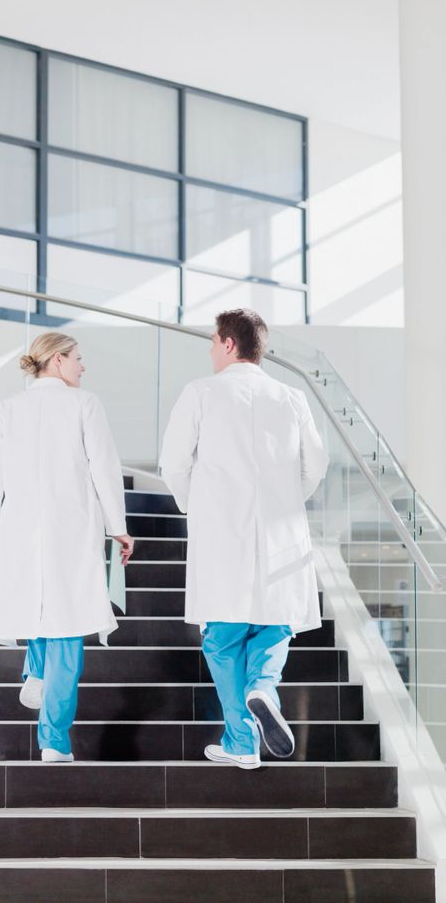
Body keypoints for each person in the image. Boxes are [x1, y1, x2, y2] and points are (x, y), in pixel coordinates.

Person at [159, 309, 328, 769]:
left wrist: (196, 505)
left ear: (229, 343)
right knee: (275, 625)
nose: (212, 350)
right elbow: (315, 465)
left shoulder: (201, 393)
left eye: (214, 341)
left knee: (222, 638)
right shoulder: (291, 397)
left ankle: (240, 739)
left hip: (222, 533)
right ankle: (262, 690)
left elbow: (173, 463)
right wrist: (286, 499)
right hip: (281, 533)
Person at [0, 331, 134, 763]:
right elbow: (105, 468)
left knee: (36, 606)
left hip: (19, 529)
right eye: (79, 358)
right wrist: (118, 527)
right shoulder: (85, 404)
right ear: (58, 361)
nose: (84, 367)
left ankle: (36, 671)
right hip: (73, 529)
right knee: (67, 626)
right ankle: (54, 741)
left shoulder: (9, 409)